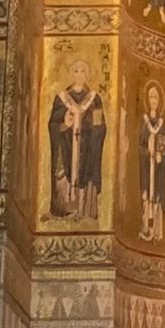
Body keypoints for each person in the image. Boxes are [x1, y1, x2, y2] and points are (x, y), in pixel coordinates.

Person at [49, 59, 106, 218]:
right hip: (65, 146)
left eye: (82, 71)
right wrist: (64, 124)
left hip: (87, 147)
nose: (79, 75)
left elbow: (100, 125)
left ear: (87, 74)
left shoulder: (94, 99)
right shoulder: (61, 99)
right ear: (70, 74)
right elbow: (53, 125)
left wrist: (89, 129)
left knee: (87, 170)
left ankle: (84, 210)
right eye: (76, 71)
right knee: (62, 170)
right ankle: (64, 209)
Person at [137, 82, 165, 243]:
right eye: (151, 97)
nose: (153, 100)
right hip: (146, 166)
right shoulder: (144, 122)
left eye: (156, 97)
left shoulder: (162, 125)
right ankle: (145, 228)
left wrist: (161, 156)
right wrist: (146, 152)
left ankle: (156, 232)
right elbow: (140, 145)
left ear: (160, 100)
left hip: (158, 169)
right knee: (146, 196)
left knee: (157, 197)